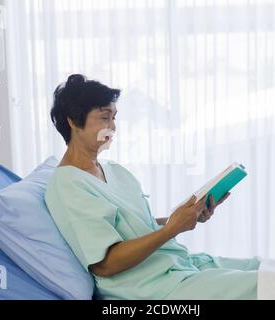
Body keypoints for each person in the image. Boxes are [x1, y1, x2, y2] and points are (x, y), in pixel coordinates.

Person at [45, 74, 260, 300]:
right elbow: (105, 264)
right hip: (150, 288)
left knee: (266, 269)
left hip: (177, 266)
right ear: (72, 120)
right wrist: (171, 229)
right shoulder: (67, 185)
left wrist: (184, 217)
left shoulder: (115, 171)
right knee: (269, 287)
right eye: (105, 117)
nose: (113, 126)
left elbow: (137, 227)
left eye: (115, 117)